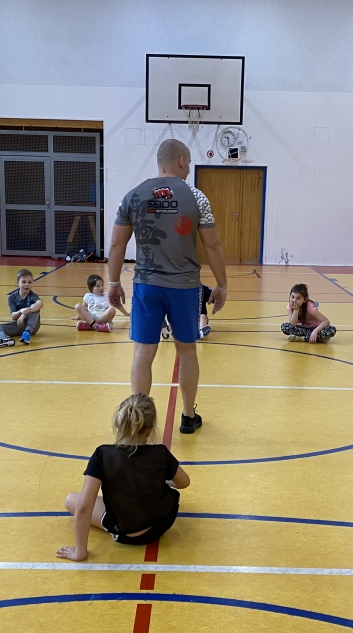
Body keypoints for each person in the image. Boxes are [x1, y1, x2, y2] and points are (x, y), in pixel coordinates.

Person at [107, 139, 227, 433]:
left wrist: (113, 282)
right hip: (184, 287)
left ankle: (138, 423)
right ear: (182, 160)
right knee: (187, 351)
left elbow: (116, 244)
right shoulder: (196, 197)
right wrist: (222, 284)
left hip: (146, 286)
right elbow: (213, 245)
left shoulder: (133, 195)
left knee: (143, 353)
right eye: (189, 163)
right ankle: (187, 416)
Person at [56, 394, 190, 561]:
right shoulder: (161, 453)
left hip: (125, 532)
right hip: (161, 525)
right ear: (149, 431)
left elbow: (84, 507)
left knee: (71, 500)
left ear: (118, 424)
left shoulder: (103, 455)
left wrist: (80, 552)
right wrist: (162, 479)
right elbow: (184, 482)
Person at [0, 268, 43, 347]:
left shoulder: (32, 296)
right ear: (17, 283)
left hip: (33, 326)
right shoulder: (12, 297)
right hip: (19, 325)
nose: (27, 284)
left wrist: (25, 313)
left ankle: (27, 334)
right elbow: (13, 316)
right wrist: (20, 312)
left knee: (35, 308)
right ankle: (5, 340)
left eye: (29, 282)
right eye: (23, 282)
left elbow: (40, 303)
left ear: (32, 283)